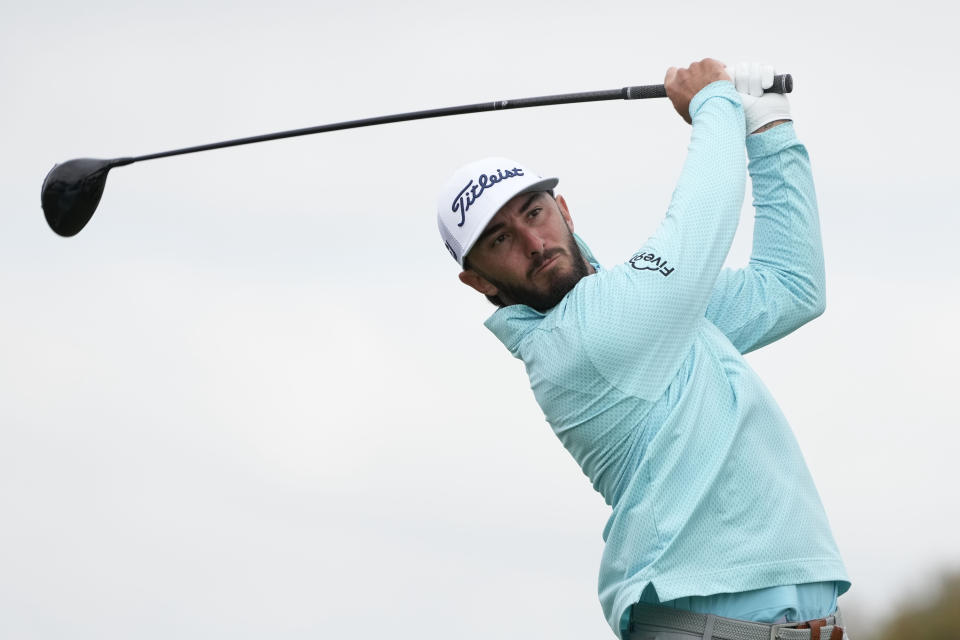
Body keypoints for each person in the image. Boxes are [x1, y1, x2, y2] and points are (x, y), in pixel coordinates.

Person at [435, 59, 850, 639]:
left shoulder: (648, 309)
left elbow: (790, 287)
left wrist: (770, 127)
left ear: (565, 211)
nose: (533, 242)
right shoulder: (576, 341)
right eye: (500, 240)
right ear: (479, 281)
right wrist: (714, 107)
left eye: (535, 213)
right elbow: (698, 228)